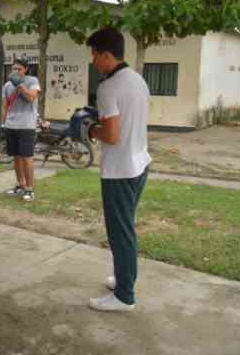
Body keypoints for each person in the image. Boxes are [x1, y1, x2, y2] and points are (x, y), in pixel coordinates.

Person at [86, 28, 151, 312]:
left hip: (119, 170)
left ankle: (124, 296)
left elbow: (111, 135)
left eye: (94, 55)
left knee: (120, 233)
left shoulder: (108, 87)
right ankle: (123, 279)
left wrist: (89, 129)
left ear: (107, 55)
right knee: (126, 228)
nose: (93, 61)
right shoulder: (137, 79)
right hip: (140, 164)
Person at [2, 58, 41, 202]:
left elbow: (31, 98)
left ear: (25, 69)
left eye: (19, 69)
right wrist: (3, 123)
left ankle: (30, 189)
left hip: (26, 125)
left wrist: (20, 85)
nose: (16, 71)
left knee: (27, 158)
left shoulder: (32, 81)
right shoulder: (7, 85)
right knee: (16, 157)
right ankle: (20, 184)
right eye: (14, 69)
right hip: (11, 125)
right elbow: (5, 105)